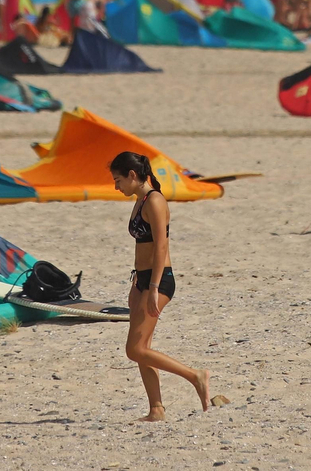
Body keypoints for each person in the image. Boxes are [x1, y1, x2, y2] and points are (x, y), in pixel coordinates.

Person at [109, 151, 210, 422]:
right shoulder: (140, 200)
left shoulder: (154, 200)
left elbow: (162, 246)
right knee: (144, 346)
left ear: (132, 175)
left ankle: (195, 375)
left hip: (159, 279)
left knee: (135, 349)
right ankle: (156, 409)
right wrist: (137, 280)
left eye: (118, 180)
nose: (116, 186)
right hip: (142, 279)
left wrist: (152, 286)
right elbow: (142, 245)